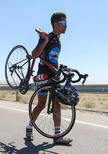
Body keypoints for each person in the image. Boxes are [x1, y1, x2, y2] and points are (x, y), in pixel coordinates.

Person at [26, 12, 73, 145]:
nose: (66, 26)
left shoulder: (58, 40)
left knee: (57, 104)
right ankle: (29, 127)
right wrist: (45, 40)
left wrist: (58, 72)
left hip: (53, 75)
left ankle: (57, 136)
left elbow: (53, 59)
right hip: (43, 75)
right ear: (55, 24)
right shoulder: (47, 37)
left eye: (66, 23)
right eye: (64, 23)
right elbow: (34, 55)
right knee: (41, 104)